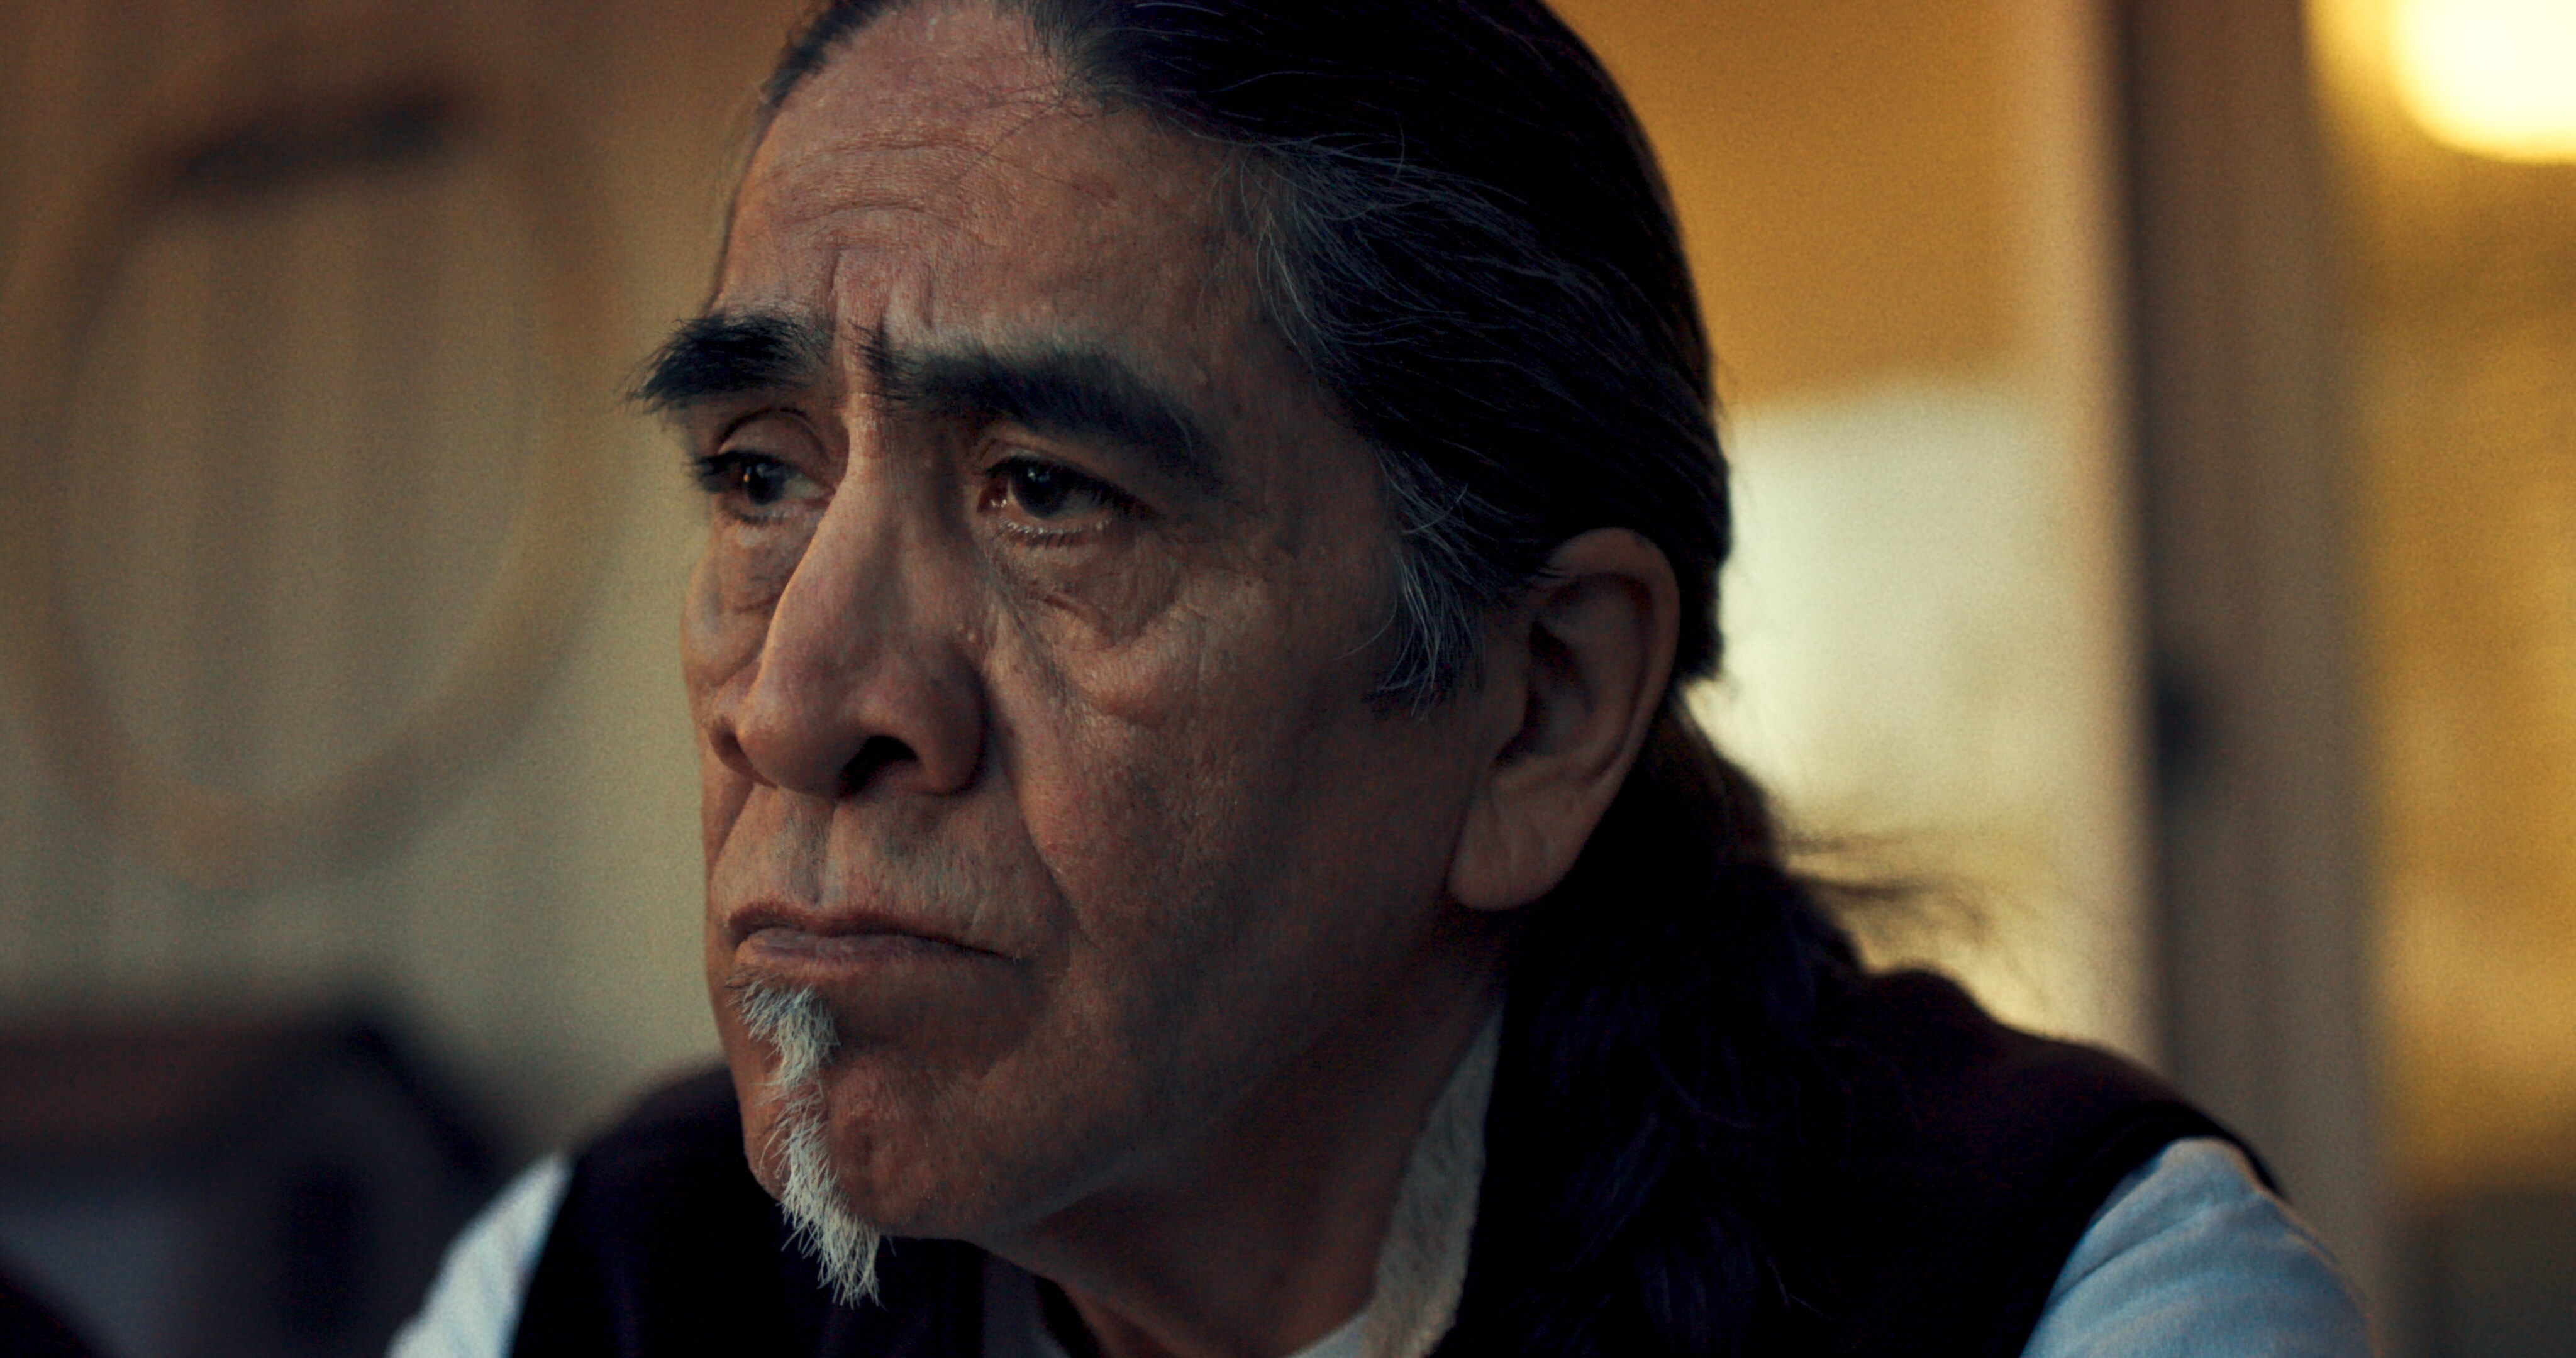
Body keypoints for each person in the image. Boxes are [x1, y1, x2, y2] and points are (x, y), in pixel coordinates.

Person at [394, 1, 2372, 1354]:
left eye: (1047, 494)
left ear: (1540, 709)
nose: (801, 698)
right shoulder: (598, 1290)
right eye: (756, 474)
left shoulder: (2044, 1297)